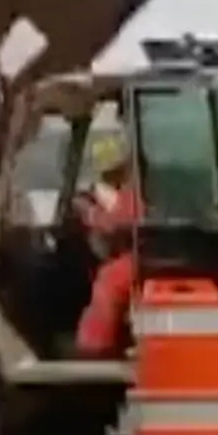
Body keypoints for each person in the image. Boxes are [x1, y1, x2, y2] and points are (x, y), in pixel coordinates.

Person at [72, 132, 141, 356]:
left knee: (108, 281)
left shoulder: (136, 191)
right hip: (137, 250)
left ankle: (95, 349)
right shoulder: (122, 192)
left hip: (143, 252)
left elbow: (118, 224)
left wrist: (90, 214)